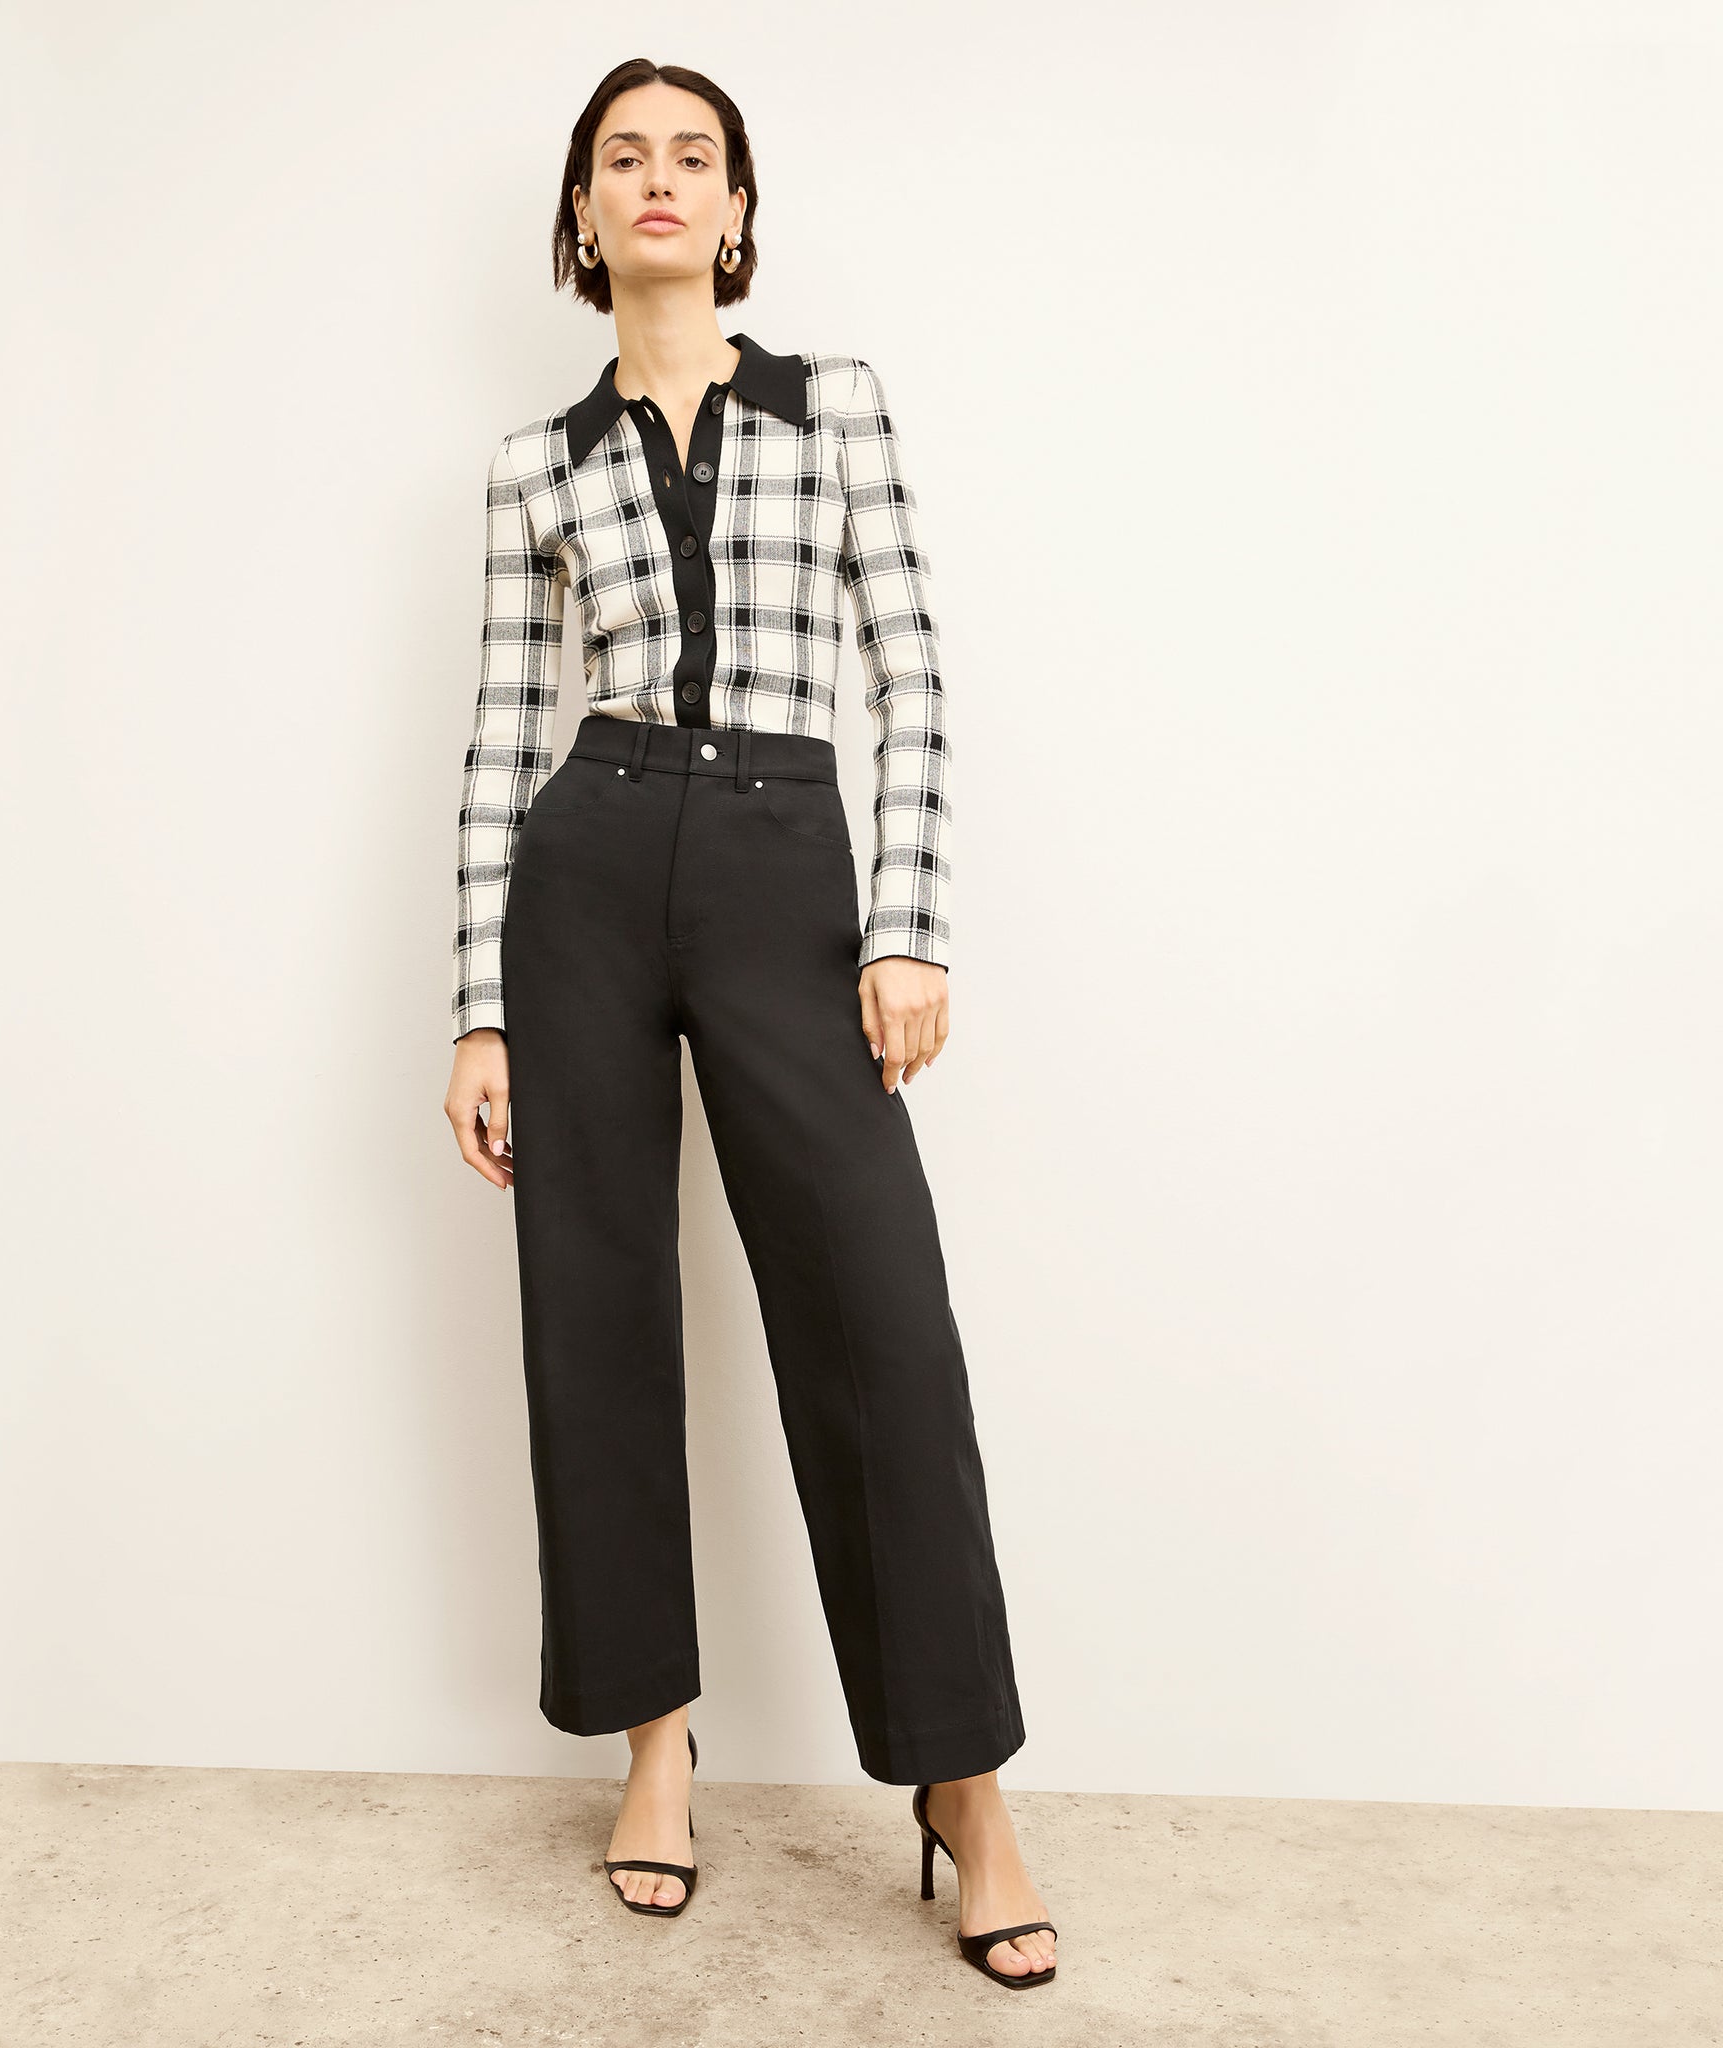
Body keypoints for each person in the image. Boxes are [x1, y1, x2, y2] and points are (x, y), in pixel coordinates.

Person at [441, 56, 1059, 1989]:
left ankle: (962, 1785)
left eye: (691, 156)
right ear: (582, 213)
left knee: (881, 1316)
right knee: (598, 1312)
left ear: (736, 210)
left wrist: (912, 927)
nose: (658, 179)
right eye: (621, 157)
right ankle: (655, 1747)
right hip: (591, 862)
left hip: (793, 859)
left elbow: (913, 670)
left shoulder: (832, 403)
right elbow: (499, 740)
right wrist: (480, 1011)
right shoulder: (534, 464)